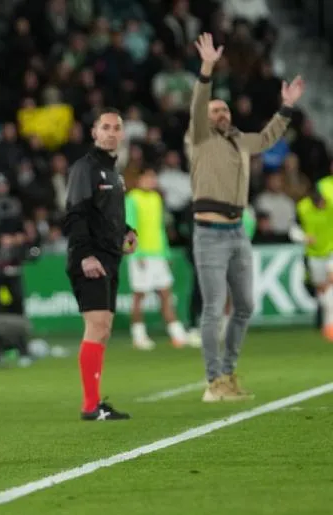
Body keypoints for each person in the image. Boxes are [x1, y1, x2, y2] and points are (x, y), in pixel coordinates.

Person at [188, 33, 304, 402]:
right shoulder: (200, 138)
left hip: (238, 233)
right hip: (208, 232)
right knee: (212, 308)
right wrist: (207, 68)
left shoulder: (239, 141)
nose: (222, 114)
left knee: (245, 307)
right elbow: (198, 103)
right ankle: (213, 382)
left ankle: (228, 372)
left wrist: (285, 108)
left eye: (225, 110)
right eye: (215, 111)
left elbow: (267, 138)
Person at [63, 108, 138, 421]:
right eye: (104, 127)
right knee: (96, 326)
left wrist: (128, 231)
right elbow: (75, 212)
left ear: (122, 134)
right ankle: (90, 406)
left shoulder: (114, 172)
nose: (110, 132)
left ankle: (93, 403)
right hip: (90, 258)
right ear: (94, 132)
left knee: (103, 328)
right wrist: (85, 256)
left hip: (110, 257)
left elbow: (108, 214)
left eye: (116, 128)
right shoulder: (86, 168)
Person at [125, 167, 188, 350]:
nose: (152, 181)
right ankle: (138, 335)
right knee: (139, 296)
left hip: (158, 255)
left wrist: (166, 253)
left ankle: (177, 334)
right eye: (148, 177)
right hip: (141, 255)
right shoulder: (132, 199)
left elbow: (160, 229)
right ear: (139, 179)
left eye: (153, 177)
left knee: (166, 294)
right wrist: (137, 253)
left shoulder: (156, 199)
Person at [290, 189, 333, 341]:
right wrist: (304, 237)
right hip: (314, 254)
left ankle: (329, 324)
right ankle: (327, 324)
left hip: (331, 250)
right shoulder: (303, 207)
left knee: (330, 281)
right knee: (322, 290)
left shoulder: (331, 203)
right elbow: (293, 230)